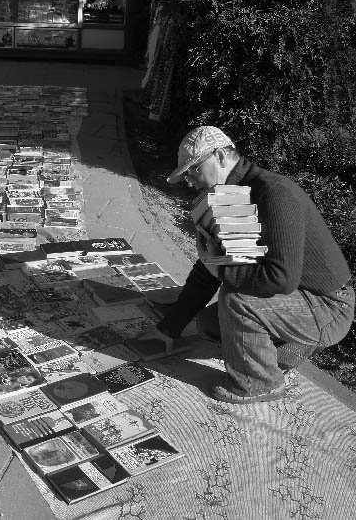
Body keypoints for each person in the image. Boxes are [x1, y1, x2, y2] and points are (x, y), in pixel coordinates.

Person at [149, 125, 354, 405]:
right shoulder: (232, 196)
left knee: (237, 301)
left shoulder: (274, 193)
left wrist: (220, 268)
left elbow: (281, 279)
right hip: (300, 297)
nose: (190, 181)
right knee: (210, 324)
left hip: (329, 306)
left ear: (220, 156)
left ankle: (260, 383)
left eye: (193, 169)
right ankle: (286, 344)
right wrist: (169, 328)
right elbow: (211, 267)